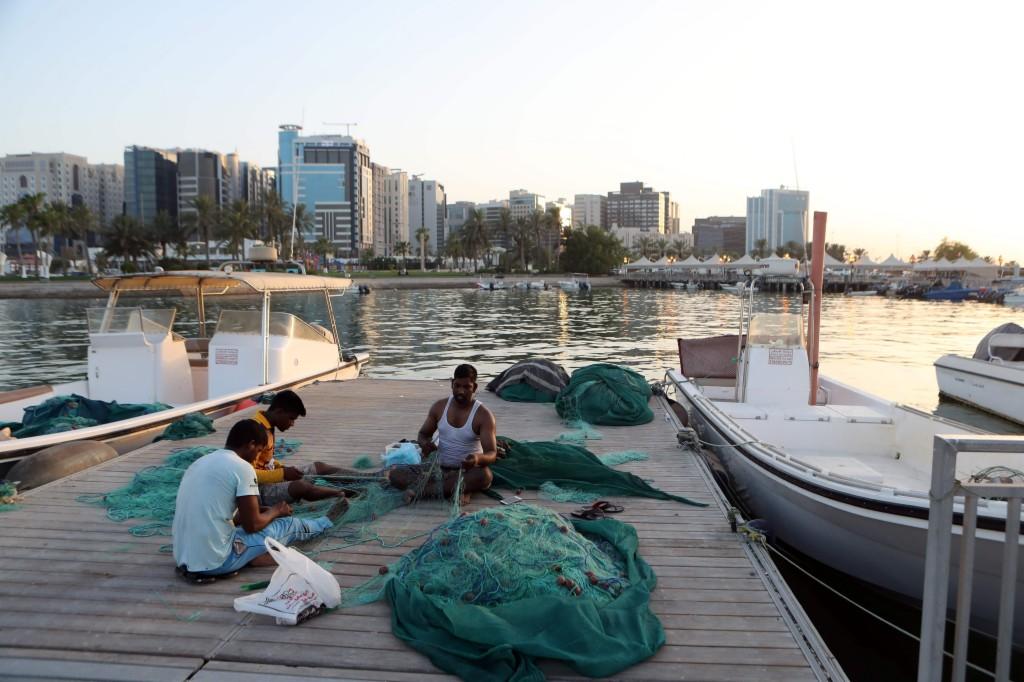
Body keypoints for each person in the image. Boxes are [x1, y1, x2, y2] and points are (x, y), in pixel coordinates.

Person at [172, 419, 342, 578]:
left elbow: (222, 515)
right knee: (288, 525)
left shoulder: (200, 462)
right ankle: (326, 522)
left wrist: (258, 513)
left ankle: (253, 555)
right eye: (259, 451)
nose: (257, 458)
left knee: (252, 527)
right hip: (215, 561)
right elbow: (252, 525)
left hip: (183, 559)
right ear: (251, 445)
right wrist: (277, 510)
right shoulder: (243, 467)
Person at [387, 364, 497, 504]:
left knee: (485, 475)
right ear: (452, 383)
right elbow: (423, 434)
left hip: (466, 472)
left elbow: (491, 453)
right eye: (457, 386)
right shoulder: (439, 407)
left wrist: (476, 459)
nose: (461, 391)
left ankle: (421, 492)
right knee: (396, 474)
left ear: (474, 387)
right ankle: (456, 490)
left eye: (466, 387)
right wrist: (425, 444)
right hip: (439, 470)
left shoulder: (484, 415)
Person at [253, 390, 348, 505]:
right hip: (257, 491)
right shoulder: (256, 430)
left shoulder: (269, 426)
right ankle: (340, 494)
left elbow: (265, 461)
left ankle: (364, 478)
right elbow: (248, 473)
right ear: (279, 411)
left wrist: (282, 467)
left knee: (319, 467)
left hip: (272, 477)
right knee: (300, 486)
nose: (292, 424)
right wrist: (283, 473)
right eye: (291, 418)